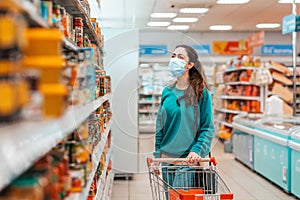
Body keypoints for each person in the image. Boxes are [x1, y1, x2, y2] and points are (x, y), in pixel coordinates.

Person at [153, 44, 214, 166]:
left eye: (180, 57)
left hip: (189, 158)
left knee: (181, 186)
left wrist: (197, 150)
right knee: (169, 187)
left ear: (190, 65)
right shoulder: (167, 92)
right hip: (167, 158)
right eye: (173, 56)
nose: (174, 59)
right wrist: (157, 154)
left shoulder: (201, 92)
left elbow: (207, 127)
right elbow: (160, 126)